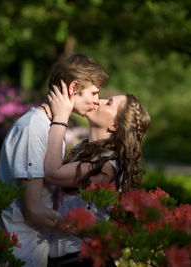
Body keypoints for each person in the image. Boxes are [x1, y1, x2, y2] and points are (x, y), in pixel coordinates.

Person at [0, 54, 109, 267]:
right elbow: (33, 210)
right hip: (19, 255)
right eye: (94, 93)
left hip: (35, 253)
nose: (97, 101)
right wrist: (85, 229)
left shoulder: (51, 127)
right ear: (73, 88)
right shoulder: (32, 128)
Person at [44, 82, 151, 265]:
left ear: (115, 125)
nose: (99, 101)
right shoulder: (81, 148)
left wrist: (61, 118)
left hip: (83, 259)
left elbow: (51, 173)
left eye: (108, 103)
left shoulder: (108, 164)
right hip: (64, 257)